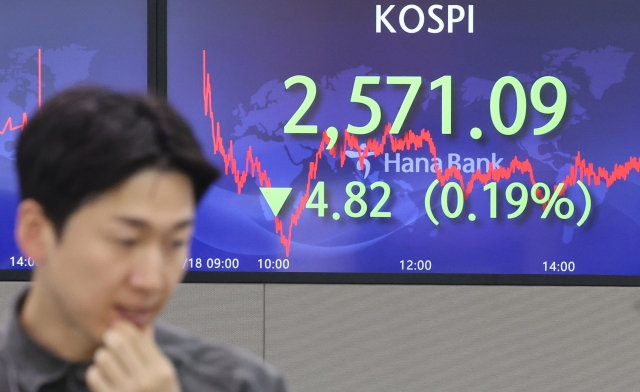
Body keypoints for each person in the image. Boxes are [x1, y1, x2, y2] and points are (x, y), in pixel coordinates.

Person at [0, 87, 288, 392]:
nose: (151, 281)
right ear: (35, 232)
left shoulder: (241, 384)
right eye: (126, 240)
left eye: (176, 242)